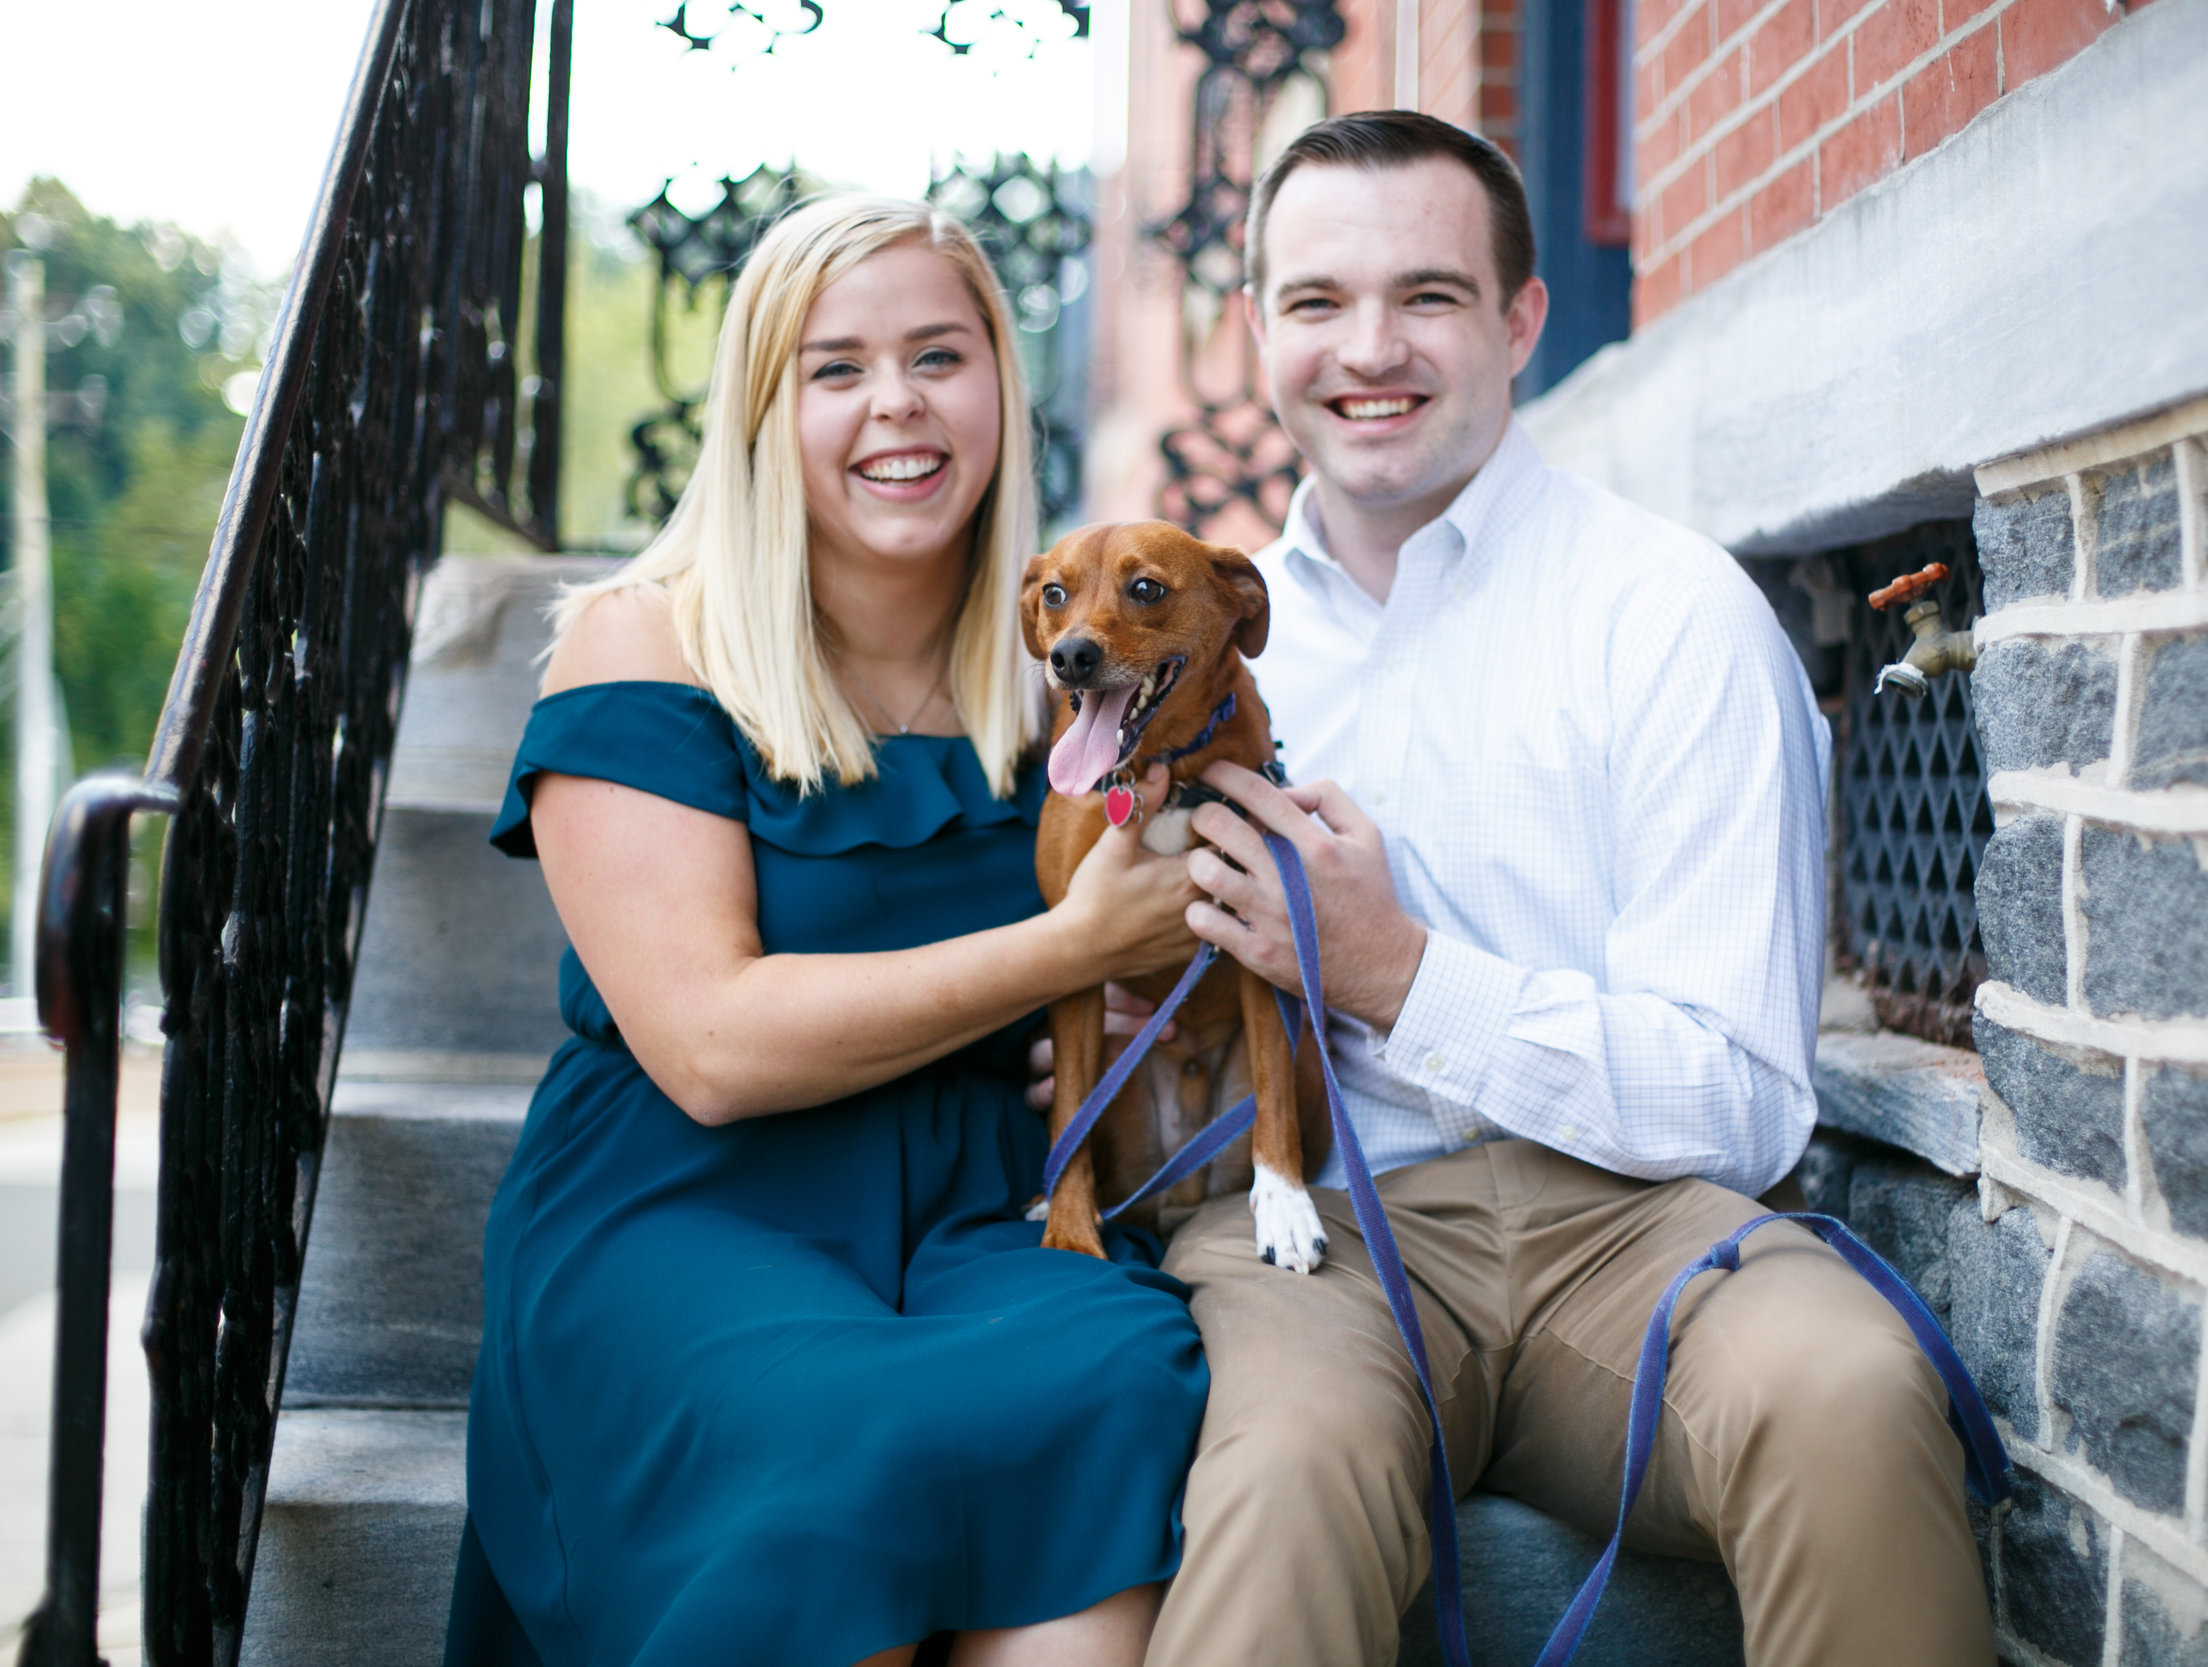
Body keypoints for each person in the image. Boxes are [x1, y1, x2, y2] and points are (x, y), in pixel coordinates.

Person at [1144, 112, 1995, 1666]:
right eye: (1318, 303)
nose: (1370, 350)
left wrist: (1396, 972)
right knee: (1284, 1477)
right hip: (1323, 1235)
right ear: (1256, 327)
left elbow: (1742, 1105)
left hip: (1640, 1228)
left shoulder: (1670, 617)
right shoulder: (1197, 651)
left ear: (1524, 320)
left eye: (1432, 296)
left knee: (1849, 1392)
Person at [445, 194, 1211, 1667]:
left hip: (985, 1202)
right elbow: (712, 1045)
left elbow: (1167, 922)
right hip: (693, 1201)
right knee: (834, 1443)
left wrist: (1115, 1028)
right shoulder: (650, 640)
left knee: (1117, 1382)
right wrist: (1065, 957)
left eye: (940, 354)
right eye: (836, 368)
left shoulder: (1069, 658)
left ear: (1000, 384)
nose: (898, 406)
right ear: (762, 410)